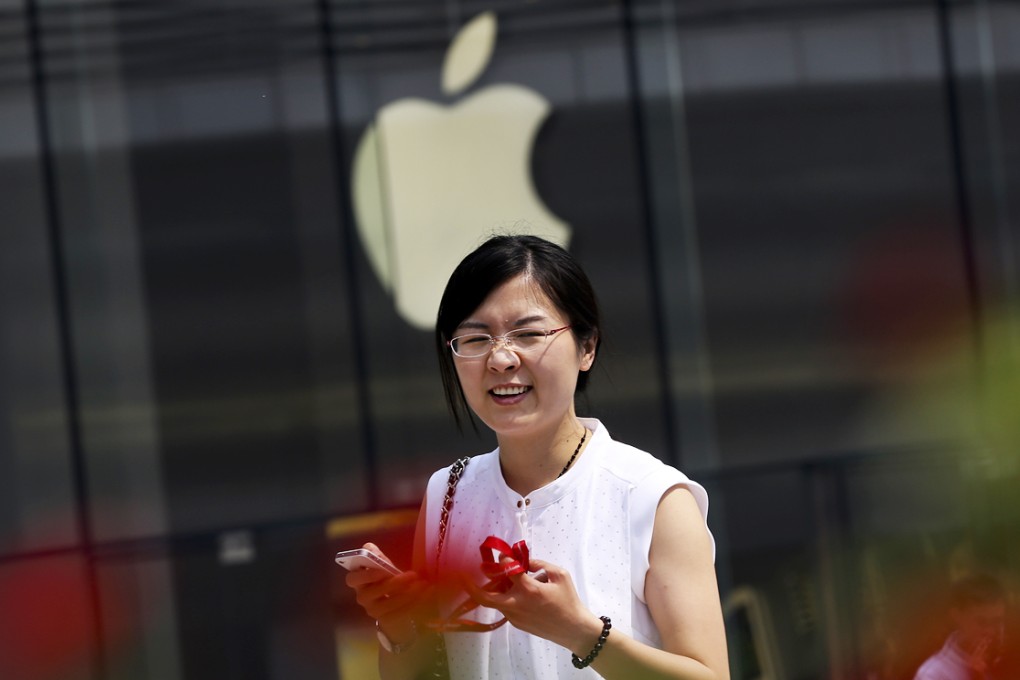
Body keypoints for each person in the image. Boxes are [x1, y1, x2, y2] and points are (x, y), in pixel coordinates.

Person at [345, 234, 729, 679]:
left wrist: (583, 634)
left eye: (528, 334)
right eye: (475, 338)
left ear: (587, 347)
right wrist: (397, 626)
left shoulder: (650, 496)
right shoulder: (447, 494)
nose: (501, 358)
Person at [913, 573, 1007, 680]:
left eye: (997, 621)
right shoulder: (934, 675)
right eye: (982, 622)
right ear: (957, 617)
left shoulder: (1004, 663)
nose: (990, 631)